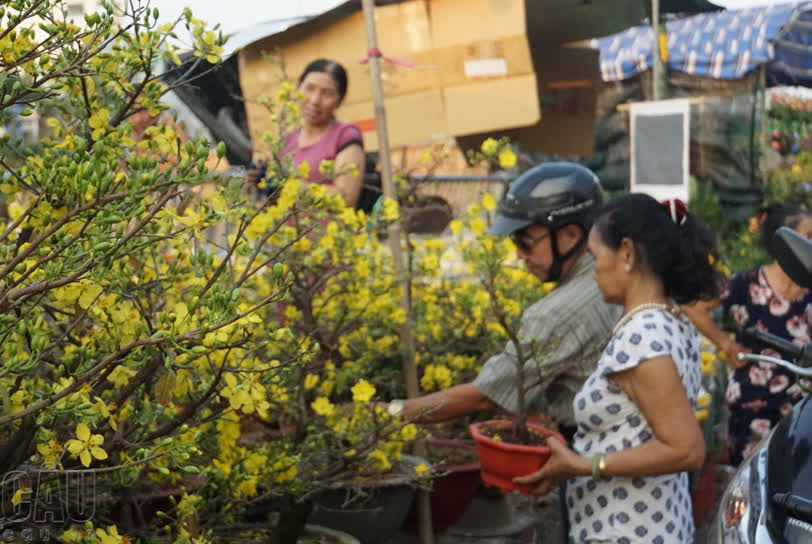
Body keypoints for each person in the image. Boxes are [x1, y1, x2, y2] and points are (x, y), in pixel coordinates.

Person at [513, 194, 721, 544]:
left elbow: (686, 449)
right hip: (649, 530)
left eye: (595, 257)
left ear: (626, 253)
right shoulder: (671, 321)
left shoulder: (643, 336)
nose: (593, 271)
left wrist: (584, 464)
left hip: (626, 539)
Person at [387, 162, 621, 438]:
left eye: (525, 241)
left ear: (571, 235)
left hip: (598, 457)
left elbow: (486, 395)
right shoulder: (621, 274)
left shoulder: (559, 311)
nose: (520, 255)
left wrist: (387, 412)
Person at [683, 202, 812, 465]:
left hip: (802, 409)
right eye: (808, 237)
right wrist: (726, 344)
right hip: (752, 401)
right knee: (750, 480)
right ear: (786, 245)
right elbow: (693, 307)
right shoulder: (747, 284)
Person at [247, 59, 365, 209]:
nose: (315, 100)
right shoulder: (286, 141)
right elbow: (276, 204)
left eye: (327, 93)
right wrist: (260, 186)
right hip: (289, 231)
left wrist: (288, 185)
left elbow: (345, 198)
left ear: (339, 101)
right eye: (310, 88)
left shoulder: (345, 136)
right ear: (298, 89)